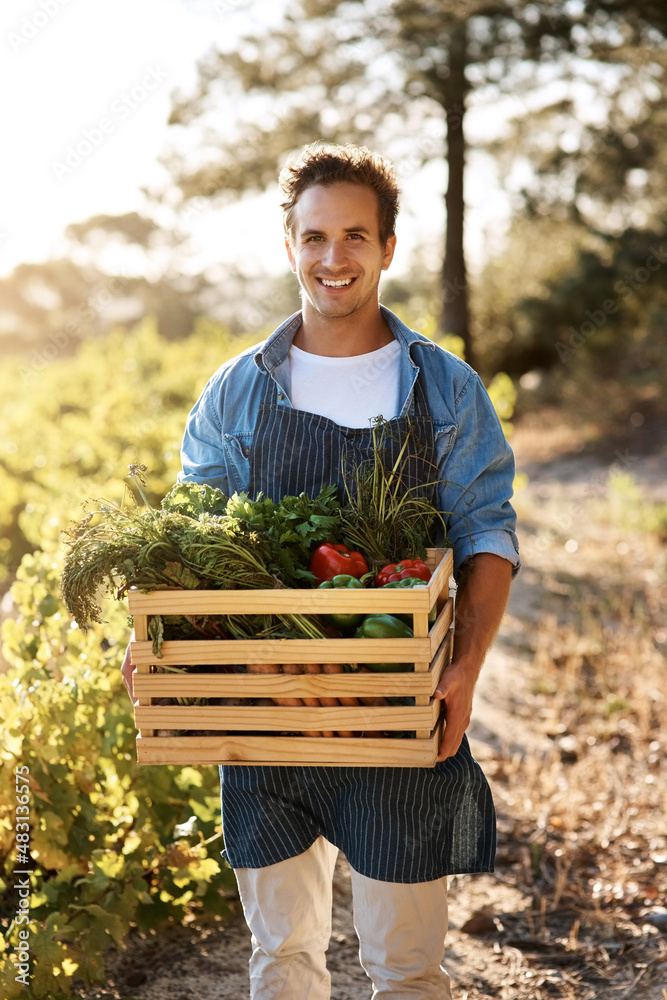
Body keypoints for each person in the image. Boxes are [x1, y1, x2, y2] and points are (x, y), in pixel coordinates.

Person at [123, 142, 520, 999]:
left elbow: (486, 535)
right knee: (283, 959)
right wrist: (153, 639)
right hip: (263, 705)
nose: (332, 258)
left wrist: (465, 669)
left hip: (399, 709)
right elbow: (190, 536)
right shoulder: (237, 391)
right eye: (314, 237)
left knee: (406, 967)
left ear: (386, 247)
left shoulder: (443, 390)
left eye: (353, 236)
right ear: (288, 243)